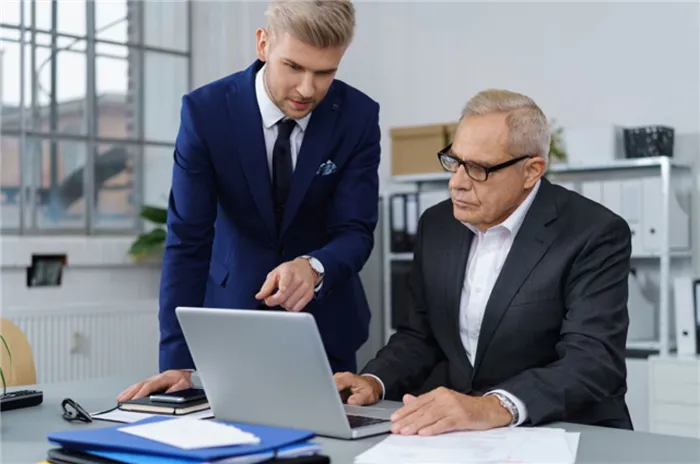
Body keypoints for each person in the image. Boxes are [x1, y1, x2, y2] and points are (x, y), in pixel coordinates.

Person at [118, 0, 380, 401]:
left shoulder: (358, 117)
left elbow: (355, 230)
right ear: (263, 45)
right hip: (231, 320)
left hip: (327, 328)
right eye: (293, 67)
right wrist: (177, 359)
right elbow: (188, 239)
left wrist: (314, 266)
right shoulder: (206, 113)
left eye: (325, 72)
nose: (308, 89)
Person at [335, 89, 633, 436]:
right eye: (454, 161)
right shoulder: (438, 225)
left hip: (567, 431)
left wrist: (492, 406)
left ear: (531, 170)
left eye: (478, 168)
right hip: (470, 438)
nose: (456, 183)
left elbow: (591, 361)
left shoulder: (593, 233)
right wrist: (374, 380)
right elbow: (419, 335)